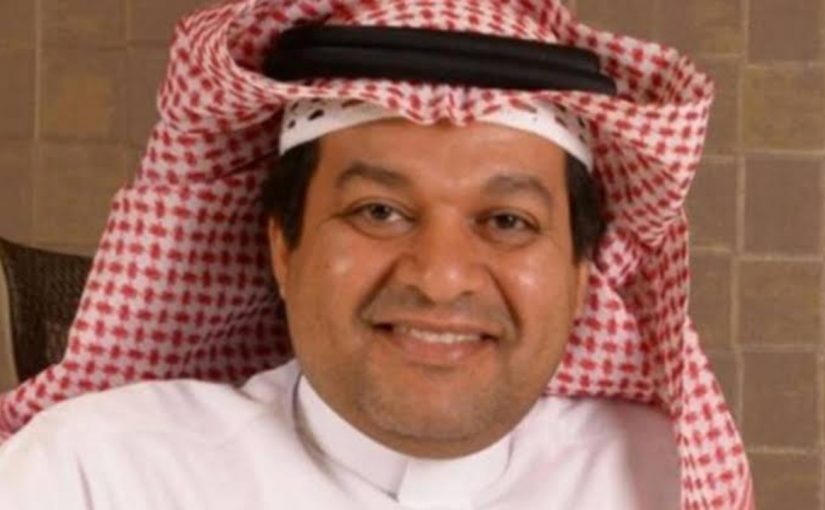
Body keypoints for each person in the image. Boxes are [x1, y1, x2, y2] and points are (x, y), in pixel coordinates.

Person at [0, 1, 753, 509]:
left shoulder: (659, 481)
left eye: (506, 220)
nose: (440, 278)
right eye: (379, 212)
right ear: (283, 246)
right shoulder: (94, 476)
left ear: (581, 273)